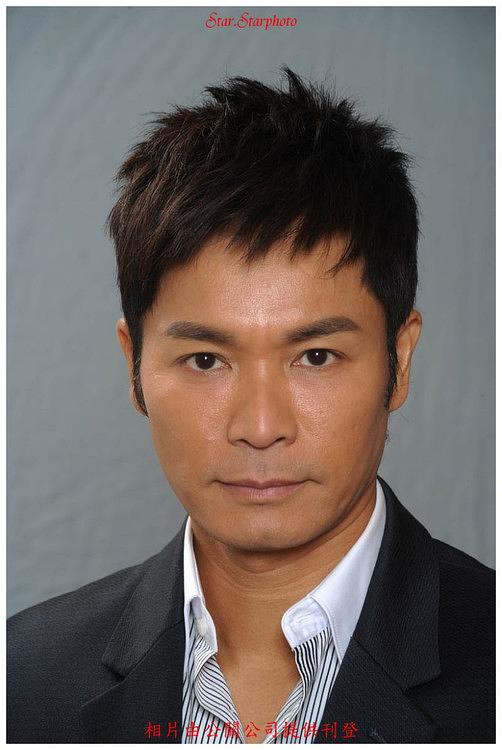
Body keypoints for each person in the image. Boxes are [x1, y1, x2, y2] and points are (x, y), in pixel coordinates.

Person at [7, 67, 494, 744]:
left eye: (315, 357)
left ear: (399, 361)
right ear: (134, 366)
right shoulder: (21, 679)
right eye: (206, 360)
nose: (261, 428)